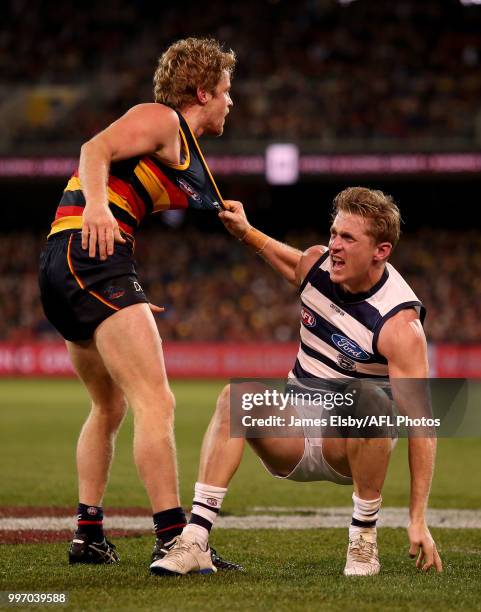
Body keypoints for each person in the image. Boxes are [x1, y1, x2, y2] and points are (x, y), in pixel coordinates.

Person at [151, 187, 443, 577]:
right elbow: (290, 262)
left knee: (370, 400)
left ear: (381, 251)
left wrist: (418, 518)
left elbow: (423, 425)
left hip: (351, 443)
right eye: (334, 233)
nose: (334, 246)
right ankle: (195, 539)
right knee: (235, 397)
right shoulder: (317, 266)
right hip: (294, 428)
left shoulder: (399, 324)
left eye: (348, 238)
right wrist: (245, 231)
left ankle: (363, 542)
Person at [38, 37, 241, 571]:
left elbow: (130, 196)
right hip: (92, 258)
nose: (230, 102)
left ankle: (88, 535)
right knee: (159, 402)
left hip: (72, 268)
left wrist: (127, 302)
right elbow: (93, 150)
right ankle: (176, 539)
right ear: (202, 91)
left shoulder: (182, 152)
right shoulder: (163, 119)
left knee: (110, 406)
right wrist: (99, 210)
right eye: (225, 91)